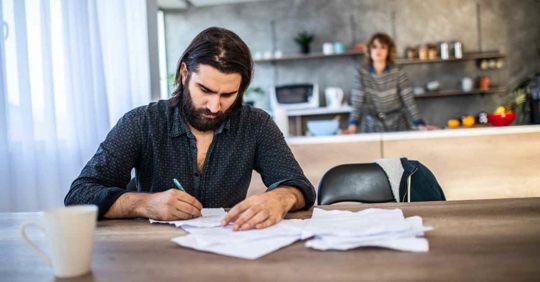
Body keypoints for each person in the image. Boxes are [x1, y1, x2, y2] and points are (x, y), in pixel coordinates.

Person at [64, 27, 315, 231]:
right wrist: (144, 204)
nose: (215, 106)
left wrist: (279, 199)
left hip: (230, 251)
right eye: (205, 90)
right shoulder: (142, 122)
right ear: (185, 73)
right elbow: (79, 195)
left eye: (228, 94)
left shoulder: (256, 124)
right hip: (151, 252)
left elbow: (298, 185)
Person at [343, 33, 438, 134]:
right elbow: (357, 102)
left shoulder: (398, 71)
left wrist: (419, 124)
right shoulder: (361, 72)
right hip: (371, 125)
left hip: (398, 124)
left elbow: (408, 100)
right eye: (375, 47)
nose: (378, 51)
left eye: (383, 47)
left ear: (388, 51)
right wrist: (352, 127)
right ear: (369, 49)